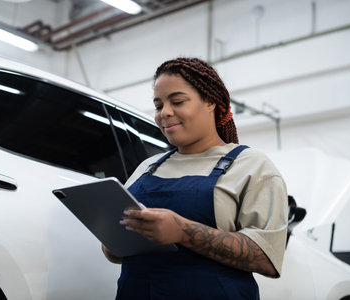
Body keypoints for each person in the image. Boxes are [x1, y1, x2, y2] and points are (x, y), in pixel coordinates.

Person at [102, 57, 288, 299]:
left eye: (177, 101)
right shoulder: (148, 167)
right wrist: (111, 238)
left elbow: (266, 258)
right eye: (158, 106)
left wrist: (183, 231)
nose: (165, 113)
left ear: (210, 101)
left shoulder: (251, 166)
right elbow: (115, 253)